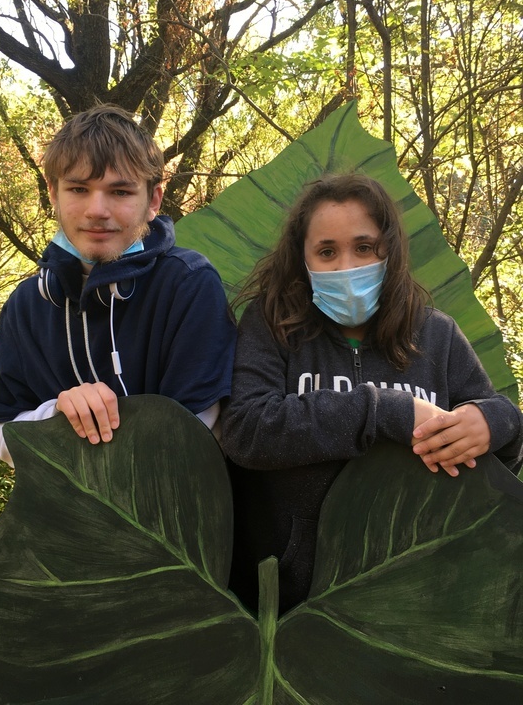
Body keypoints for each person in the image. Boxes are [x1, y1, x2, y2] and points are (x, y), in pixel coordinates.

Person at [220, 174, 523, 615]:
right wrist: (382, 410)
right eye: (327, 251)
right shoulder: (271, 326)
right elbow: (246, 429)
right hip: (293, 605)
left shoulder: (436, 335)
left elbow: (504, 436)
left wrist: (493, 424)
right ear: (302, 260)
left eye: (364, 247)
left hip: (419, 592)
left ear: (390, 251)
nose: (346, 267)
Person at [0, 104, 236, 467]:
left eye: (119, 192)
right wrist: (58, 415)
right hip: (64, 522)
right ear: (53, 194)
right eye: (79, 189)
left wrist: (75, 438)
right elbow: (1, 428)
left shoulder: (188, 284)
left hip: (172, 520)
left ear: (153, 200)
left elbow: (198, 435)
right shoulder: (25, 305)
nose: (97, 210)